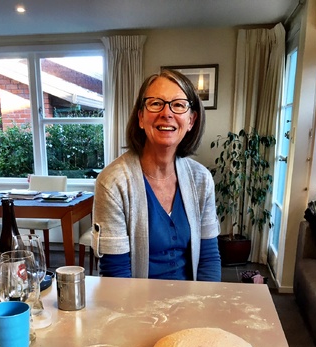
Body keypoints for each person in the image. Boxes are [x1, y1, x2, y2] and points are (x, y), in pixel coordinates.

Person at [92, 68, 221, 281]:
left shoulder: (202, 179)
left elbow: (209, 260)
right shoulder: (113, 183)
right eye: (155, 103)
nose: (166, 113)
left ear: (191, 120)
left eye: (178, 105)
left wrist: (204, 301)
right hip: (134, 299)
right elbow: (116, 275)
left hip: (193, 298)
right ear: (141, 118)